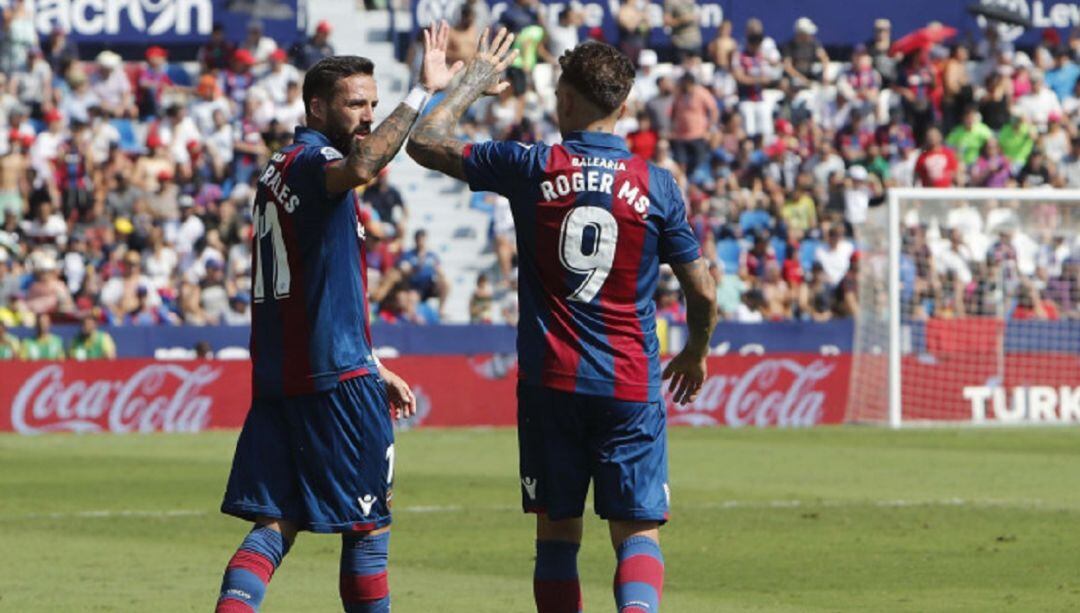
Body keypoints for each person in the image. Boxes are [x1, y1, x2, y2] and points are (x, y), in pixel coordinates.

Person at [408, 36, 718, 612]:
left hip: (551, 381)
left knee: (556, 535)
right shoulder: (658, 184)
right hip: (628, 382)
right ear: (622, 107)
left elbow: (425, 141)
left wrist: (471, 82)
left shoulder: (531, 164)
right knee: (636, 534)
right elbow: (701, 288)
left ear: (567, 103)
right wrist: (696, 351)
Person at [213, 22, 462, 613]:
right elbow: (364, 165)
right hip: (331, 382)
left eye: (373, 103)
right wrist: (421, 92)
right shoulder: (314, 160)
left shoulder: (280, 167)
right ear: (317, 106)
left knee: (275, 524)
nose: (368, 115)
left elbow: (316, 288)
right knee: (368, 530)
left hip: (286, 378)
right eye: (356, 104)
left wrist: (373, 362)